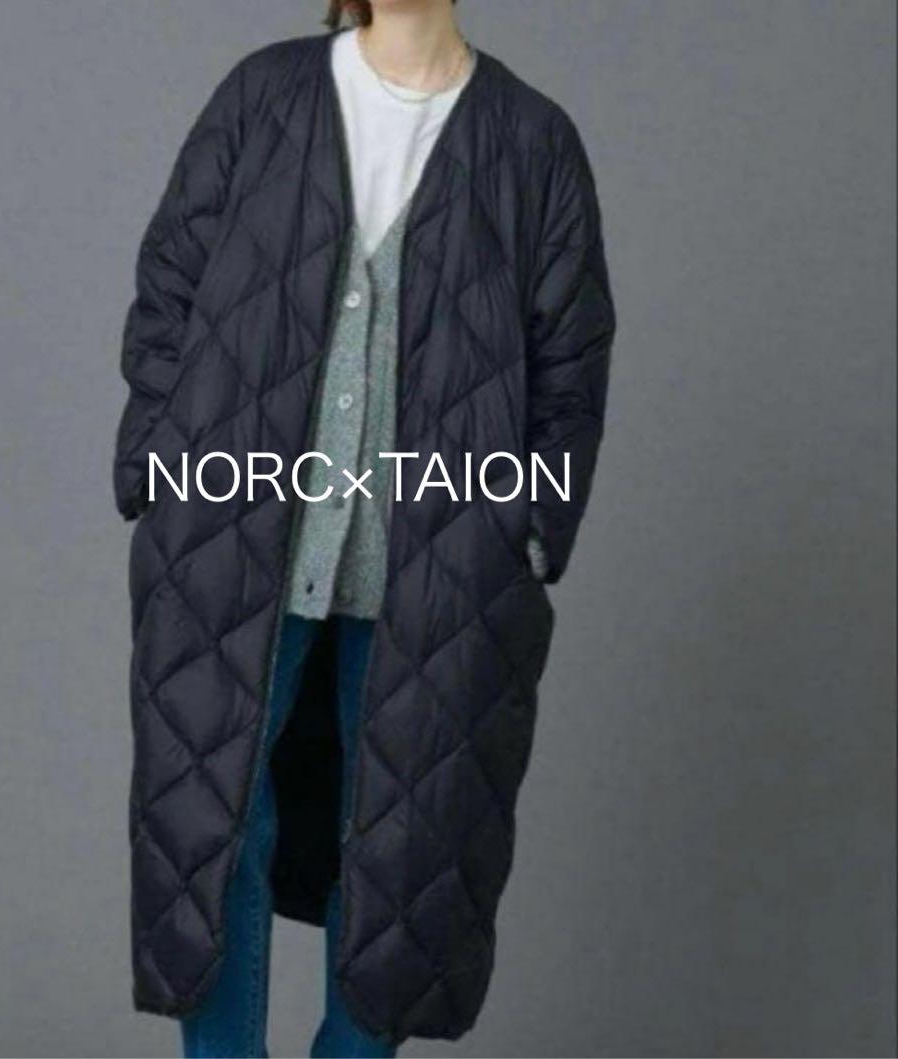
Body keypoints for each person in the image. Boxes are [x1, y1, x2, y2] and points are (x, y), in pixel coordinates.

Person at [111, 1, 616, 1055]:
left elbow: (571, 357)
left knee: (400, 849)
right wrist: (159, 463)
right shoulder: (265, 94)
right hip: (235, 540)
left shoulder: (532, 139)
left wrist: (532, 527)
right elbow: (169, 289)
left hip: (442, 566)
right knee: (215, 827)